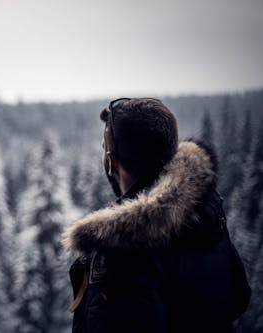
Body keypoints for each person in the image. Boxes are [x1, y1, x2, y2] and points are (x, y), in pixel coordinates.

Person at [61, 98, 251, 333]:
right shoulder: (204, 211)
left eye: (104, 149)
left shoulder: (121, 251)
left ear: (111, 162)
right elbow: (239, 298)